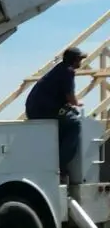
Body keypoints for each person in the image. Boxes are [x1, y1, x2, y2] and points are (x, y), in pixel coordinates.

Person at [25, 46, 86, 179]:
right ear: (74, 60)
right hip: (44, 110)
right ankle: (60, 164)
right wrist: (77, 103)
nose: (81, 62)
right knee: (75, 123)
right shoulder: (68, 71)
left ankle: (57, 157)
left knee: (67, 119)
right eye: (79, 59)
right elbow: (70, 97)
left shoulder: (59, 69)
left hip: (35, 109)